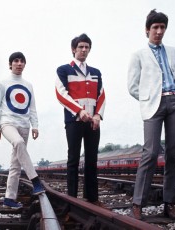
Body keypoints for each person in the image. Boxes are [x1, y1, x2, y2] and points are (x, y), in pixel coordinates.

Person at [127, 9, 175, 220]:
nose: (159, 31)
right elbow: (132, 86)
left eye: (162, 27)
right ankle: (138, 203)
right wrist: (149, 98)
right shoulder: (138, 55)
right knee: (151, 152)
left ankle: (169, 203)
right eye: (155, 27)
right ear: (147, 30)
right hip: (153, 106)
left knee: (173, 154)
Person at [55, 33, 106, 205]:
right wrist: (79, 111)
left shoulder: (96, 72)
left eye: (87, 47)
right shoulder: (63, 70)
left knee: (92, 160)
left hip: (93, 122)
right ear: (73, 49)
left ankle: (92, 198)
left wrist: (98, 114)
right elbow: (61, 94)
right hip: (74, 121)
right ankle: (72, 199)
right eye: (81, 47)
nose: (84, 50)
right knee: (73, 160)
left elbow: (101, 95)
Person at [0, 52, 44, 209]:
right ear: (10, 64)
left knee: (15, 164)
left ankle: (9, 198)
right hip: (7, 123)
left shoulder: (28, 85)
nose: (19, 63)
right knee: (18, 142)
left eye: (22, 61)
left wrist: (35, 125)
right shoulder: (2, 84)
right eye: (16, 61)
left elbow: (32, 107)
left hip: (24, 125)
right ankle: (35, 180)